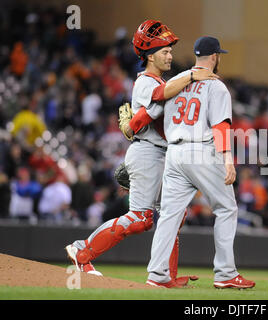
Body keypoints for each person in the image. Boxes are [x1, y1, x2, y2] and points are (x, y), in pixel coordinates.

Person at [64, 20, 217, 285]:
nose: (170, 55)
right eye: (165, 51)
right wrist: (190, 75)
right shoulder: (147, 82)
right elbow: (154, 101)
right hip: (148, 153)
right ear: (149, 55)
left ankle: (164, 275)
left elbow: (151, 112)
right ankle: (82, 251)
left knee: (173, 214)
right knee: (141, 218)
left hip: (159, 154)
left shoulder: (161, 81)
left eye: (170, 51)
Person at [146, 36, 255, 289]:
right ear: (215, 57)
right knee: (226, 208)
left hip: (175, 153)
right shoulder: (216, 86)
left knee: (169, 216)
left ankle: (157, 274)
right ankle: (226, 273)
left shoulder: (175, 81)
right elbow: (220, 126)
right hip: (201, 151)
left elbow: (156, 111)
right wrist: (228, 159)